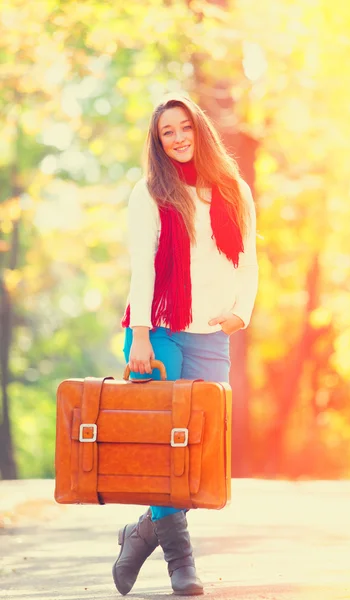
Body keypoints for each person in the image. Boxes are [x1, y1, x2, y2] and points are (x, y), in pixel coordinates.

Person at [112, 93, 258, 596]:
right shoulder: (149, 192)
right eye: (166, 133)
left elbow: (249, 259)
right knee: (162, 448)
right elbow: (144, 266)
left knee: (200, 452)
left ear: (199, 129)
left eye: (183, 128)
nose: (177, 139)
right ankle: (182, 566)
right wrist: (140, 335)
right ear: (157, 143)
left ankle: (140, 533)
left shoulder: (232, 189)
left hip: (213, 335)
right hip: (161, 334)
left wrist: (242, 313)